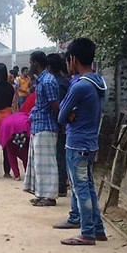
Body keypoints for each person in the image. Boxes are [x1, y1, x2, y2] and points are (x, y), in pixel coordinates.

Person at [55, 38, 108, 245]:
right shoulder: (98, 82)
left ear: (74, 59)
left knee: (80, 189)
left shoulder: (80, 86)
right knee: (89, 186)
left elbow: (61, 115)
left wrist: (70, 114)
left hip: (77, 143)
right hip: (91, 141)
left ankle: (87, 233)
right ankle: (98, 229)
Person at [25, 52, 61, 206]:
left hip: (46, 126)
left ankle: (49, 196)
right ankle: (41, 194)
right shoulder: (42, 81)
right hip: (39, 125)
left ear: (36, 63)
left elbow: (55, 105)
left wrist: (59, 123)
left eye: (31, 62)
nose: (29, 66)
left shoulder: (47, 81)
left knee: (47, 163)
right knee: (39, 164)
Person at [47, 54, 71, 197]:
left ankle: (61, 186)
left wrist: (60, 123)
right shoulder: (64, 81)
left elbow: (59, 107)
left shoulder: (57, 83)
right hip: (62, 124)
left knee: (59, 155)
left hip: (59, 125)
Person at [0, 93, 35, 180]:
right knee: (25, 153)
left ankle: (16, 175)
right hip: (23, 130)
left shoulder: (7, 119)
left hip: (9, 131)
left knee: (11, 153)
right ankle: (27, 173)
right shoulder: (26, 116)